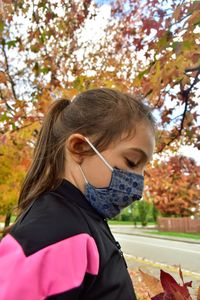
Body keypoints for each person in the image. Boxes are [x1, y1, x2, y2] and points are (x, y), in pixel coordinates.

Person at [0, 88, 155, 299]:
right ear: (80, 147)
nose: (139, 189)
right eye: (131, 162)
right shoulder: (55, 231)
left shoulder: (83, 218)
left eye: (143, 169)